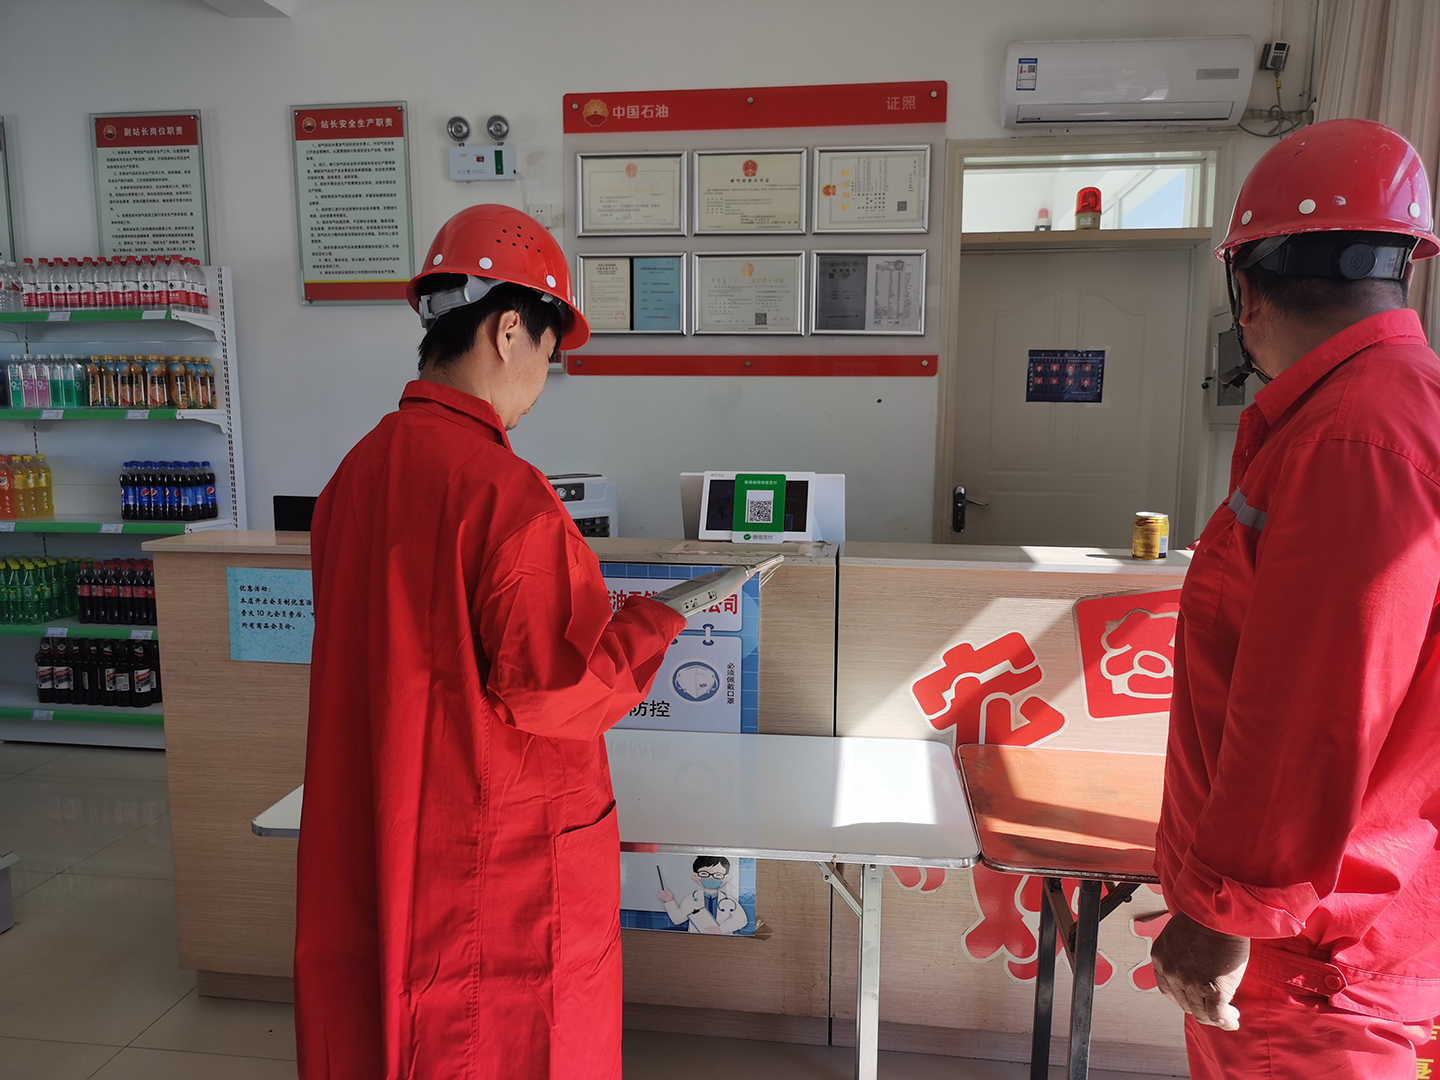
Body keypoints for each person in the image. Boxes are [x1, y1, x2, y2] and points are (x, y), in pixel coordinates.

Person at [294, 204, 690, 1080]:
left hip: (381, 822)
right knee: (497, 1039)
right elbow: (556, 689)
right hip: (488, 852)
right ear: (510, 331)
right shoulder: (506, 495)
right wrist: (653, 622)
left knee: (377, 1021)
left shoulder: (352, 477)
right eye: (550, 353)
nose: (544, 377)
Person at [1150, 118, 1440, 1078]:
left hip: (1309, 958)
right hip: (1351, 925)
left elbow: (1316, 707)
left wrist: (1224, 912)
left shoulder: (1352, 439)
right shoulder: (1401, 405)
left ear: (1246, 291)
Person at [658, 854, 750, 935]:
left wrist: (720, 929)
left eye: (717, 875)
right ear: (696, 876)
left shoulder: (729, 901)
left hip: (722, 941)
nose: (711, 878)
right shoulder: (691, 899)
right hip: (697, 941)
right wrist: (669, 901)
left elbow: (742, 919)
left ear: (725, 878)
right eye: (704, 874)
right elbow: (677, 919)